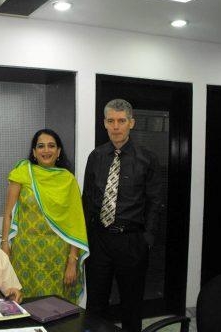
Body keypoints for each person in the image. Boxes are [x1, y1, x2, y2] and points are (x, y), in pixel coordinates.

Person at [82, 99, 162, 332]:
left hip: (132, 241)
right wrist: (86, 238)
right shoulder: (96, 156)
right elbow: (87, 200)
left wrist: (146, 240)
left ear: (131, 123)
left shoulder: (147, 158)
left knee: (131, 304)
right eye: (110, 121)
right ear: (104, 124)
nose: (116, 126)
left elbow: (155, 203)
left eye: (121, 121)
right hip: (100, 241)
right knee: (96, 304)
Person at [1, 129, 89, 305]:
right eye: (41, 146)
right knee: (23, 302)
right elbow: (8, 214)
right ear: (34, 152)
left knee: (57, 306)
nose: (46, 150)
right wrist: (5, 245)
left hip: (58, 256)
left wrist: (72, 261)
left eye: (51, 146)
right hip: (25, 254)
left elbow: (75, 222)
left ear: (58, 152)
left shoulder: (68, 180)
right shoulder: (23, 173)